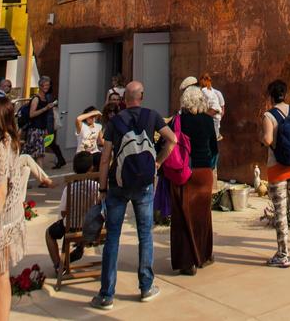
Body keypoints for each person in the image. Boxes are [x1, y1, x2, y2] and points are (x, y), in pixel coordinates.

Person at [91, 80, 177, 311]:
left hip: (118, 184)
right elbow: (173, 139)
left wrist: (101, 189)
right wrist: (158, 163)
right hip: (144, 184)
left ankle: (107, 294)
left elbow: (105, 158)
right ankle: (146, 287)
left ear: (124, 99)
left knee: (113, 238)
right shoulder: (152, 116)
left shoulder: (115, 121)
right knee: (145, 235)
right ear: (142, 96)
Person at [169, 85, 218, 275]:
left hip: (184, 172)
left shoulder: (178, 121)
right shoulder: (207, 120)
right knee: (202, 215)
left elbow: (167, 145)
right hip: (204, 172)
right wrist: (209, 166)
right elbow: (214, 148)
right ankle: (204, 255)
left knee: (182, 216)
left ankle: (187, 261)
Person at [260, 79, 290, 268]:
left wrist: (263, 140)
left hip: (278, 168)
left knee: (280, 210)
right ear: (285, 94)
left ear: (271, 97)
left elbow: (268, 139)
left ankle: (283, 254)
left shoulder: (268, 116)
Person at [0, 97, 27, 320]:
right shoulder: (10, 141)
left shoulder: (3, 146)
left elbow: (1, 190)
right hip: (6, 220)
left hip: (0, 223)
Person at [45, 151, 97, 271]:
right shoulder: (96, 187)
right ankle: (79, 248)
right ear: (91, 168)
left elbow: (63, 212)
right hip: (91, 226)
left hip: (72, 227)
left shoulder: (69, 189)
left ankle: (58, 264)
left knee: (49, 233)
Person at [24, 77, 57, 167]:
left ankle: (40, 176)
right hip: (34, 130)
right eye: (45, 85)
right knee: (33, 155)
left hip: (41, 130)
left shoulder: (45, 98)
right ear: (40, 86)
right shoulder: (36, 98)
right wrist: (45, 108)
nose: (47, 87)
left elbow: (44, 116)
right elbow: (31, 114)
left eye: (48, 85)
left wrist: (46, 129)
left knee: (40, 155)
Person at [199, 74, 224, 140]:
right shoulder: (202, 92)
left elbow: (221, 110)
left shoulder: (217, 93)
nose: (201, 85)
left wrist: (209, 115)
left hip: (214, 122)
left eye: (203, 82)